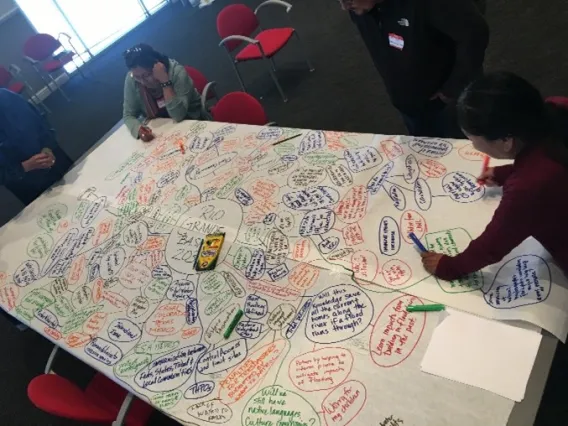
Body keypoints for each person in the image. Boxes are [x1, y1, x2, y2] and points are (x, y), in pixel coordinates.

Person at [421, 72, 568, 280]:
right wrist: (506, 172)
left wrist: (449, 267)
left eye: (473, 139)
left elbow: (493, 244)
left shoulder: (528, 188)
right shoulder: (556, 107)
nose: (473, 146)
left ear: (506, 141)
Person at [341, 0, 489, 138]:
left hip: (448, 103)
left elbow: (475, 32)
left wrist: (454, 86)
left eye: (348, 0)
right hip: (408, 103)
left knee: (464, 154)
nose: (344, 7)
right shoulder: (360, 9)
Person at [122, 44, 210, 142]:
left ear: (156, 66)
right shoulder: (132, 79)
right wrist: (139, 129)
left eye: (146, 75)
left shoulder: (177, 73)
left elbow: (178, 115)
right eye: (138, 77)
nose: (142, 81)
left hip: (192, 124)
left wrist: (165, 82)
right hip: (161, 132)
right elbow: (128, 115)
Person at [0, 88, 72, 206]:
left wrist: (48, 146)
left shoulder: (6, 97)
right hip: (28, 184)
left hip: (54, 160)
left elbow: (40, 119)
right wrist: (23, 167)